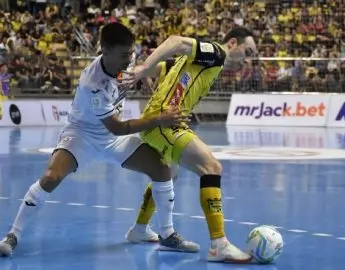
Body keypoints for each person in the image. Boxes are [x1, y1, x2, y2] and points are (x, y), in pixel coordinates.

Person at [0, 22, 199, 257]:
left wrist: (146, 77)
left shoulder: (126, 61)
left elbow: (140, 75)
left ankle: (166, 234)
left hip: (112, 139)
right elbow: (117, 127)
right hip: (82, 136)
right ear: (105, 51)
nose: (129, 60)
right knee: (51, 177)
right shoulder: (93, 84)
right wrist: (159, 119)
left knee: (162, 169)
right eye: (124, 55)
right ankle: (13, 235)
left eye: (131, 53)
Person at [122, 27, 258, 263]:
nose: (248, 59)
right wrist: (143, 69)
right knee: (211, 167)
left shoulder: (206, 64)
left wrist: (148, 73)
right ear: (233, 43)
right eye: (248, 51)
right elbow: (175, 41)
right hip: (164, 123)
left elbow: (166, 68)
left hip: (163, 120)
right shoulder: (216, 53)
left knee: (167, 174)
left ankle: (140, 230)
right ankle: (219, 244)